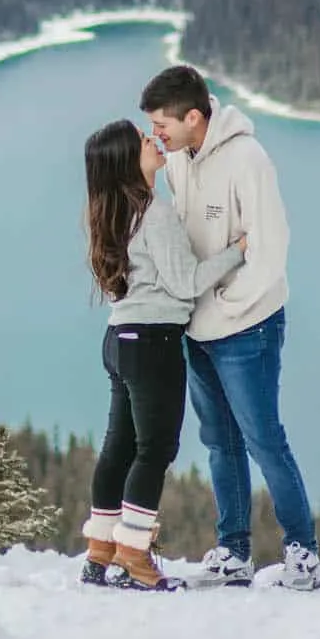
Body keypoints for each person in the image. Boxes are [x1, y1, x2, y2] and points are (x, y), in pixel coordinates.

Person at [140, 64, 320, 592]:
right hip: (197, 329)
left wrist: (227, 303)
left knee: (264, 439)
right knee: (219, 441)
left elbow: (270, 248)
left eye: (163, 124)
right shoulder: (179, 159)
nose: (157, 134)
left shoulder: (248, 160)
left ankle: (302, 552)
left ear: (194, 117)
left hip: (247, 329)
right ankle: (234, 551)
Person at [80, 118, 247, 591]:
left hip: (119, 340)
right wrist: (240, 249)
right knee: (155, 450)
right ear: (126, 161)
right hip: (153, 342)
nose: (153, 141)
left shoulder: (109, 213)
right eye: (142, 141)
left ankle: (101, 550)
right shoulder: (153, 213)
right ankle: (134, 554)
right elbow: (189, 283)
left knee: (119, 448)